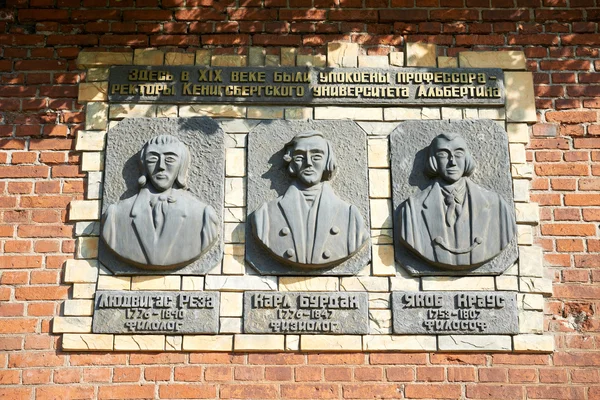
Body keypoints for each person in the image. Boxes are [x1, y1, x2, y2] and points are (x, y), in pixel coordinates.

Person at [398, 132, 516, 269]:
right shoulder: (412, 210)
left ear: (467, 158)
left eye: (458, 154)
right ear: (433, 160)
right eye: (443, 154)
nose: (452, 162)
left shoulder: (497, 206)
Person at [252, 131, 369, 268]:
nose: (308, 163)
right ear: (291, 162)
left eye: (317, 156)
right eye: (300, 157)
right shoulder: (265, 215)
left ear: (327, 161)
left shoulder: (350, 216)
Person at [101, 135, 218, 269]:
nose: (161, 166)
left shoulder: (203, 216)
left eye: (170, 159)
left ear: (181, 166)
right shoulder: (116, 216)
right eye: (153, 159)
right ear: (144, 165)